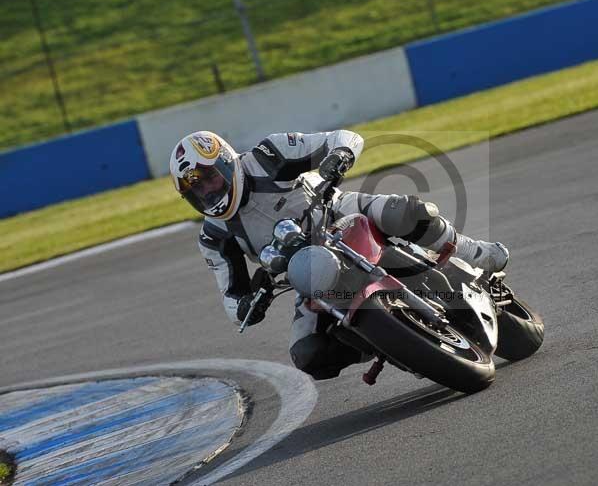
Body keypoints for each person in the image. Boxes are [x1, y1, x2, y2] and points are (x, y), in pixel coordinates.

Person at [169, 130, 509, 379]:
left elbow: (345, 138)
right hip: (309, 275)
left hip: (339, 214)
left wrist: (337, 157)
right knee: (308, 357)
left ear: (226, 163)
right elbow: (231, 301)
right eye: (195, 188)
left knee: (406, 212)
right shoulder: (213, 235)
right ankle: (384, 342)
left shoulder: (266, 156)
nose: (207, 191)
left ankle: (473, 252)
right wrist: (249, 304)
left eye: (209, 178)